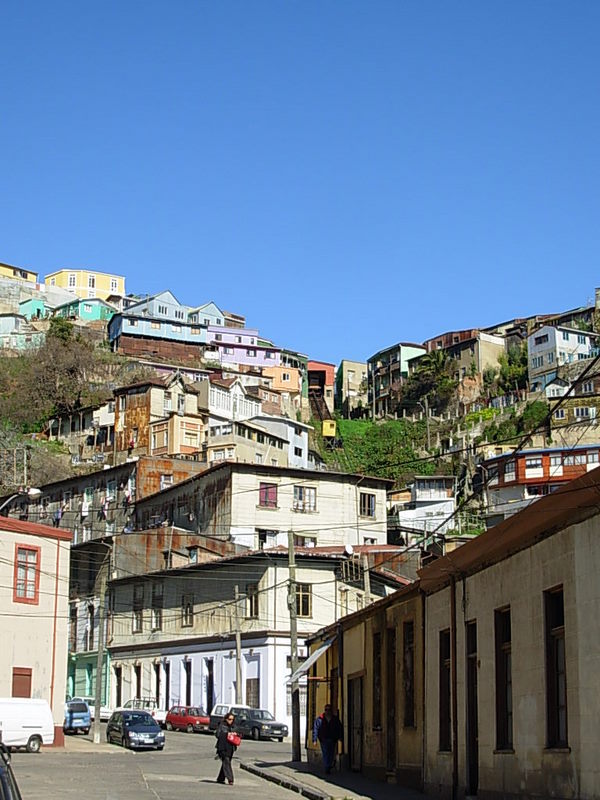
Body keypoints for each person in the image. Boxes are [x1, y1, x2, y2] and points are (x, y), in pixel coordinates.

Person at [313, 704, 343, 774]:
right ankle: (327, 766)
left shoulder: (335, 719)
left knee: (331, 753)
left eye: (329, 710)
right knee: (325, 752)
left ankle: (329, 765)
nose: (327, 711)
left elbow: (339, 728)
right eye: (326, 710)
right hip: (323, 739)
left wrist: (339, 737)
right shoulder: (320, 719)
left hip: (333, 739)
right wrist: (314, 739)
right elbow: (316, 729)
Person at [215, 712, 237, 785]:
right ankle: (230, 779)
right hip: (222, 747)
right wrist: (227, 734)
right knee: (226, 762)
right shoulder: (222, 725)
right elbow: (217, 734)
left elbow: (240, 733)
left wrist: (236, 734)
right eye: (229, 719)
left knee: (226, 762)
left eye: (232, 719)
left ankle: (220, 778)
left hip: (231, 748)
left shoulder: (233, 726)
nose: (231, 721)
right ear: (226, 719)